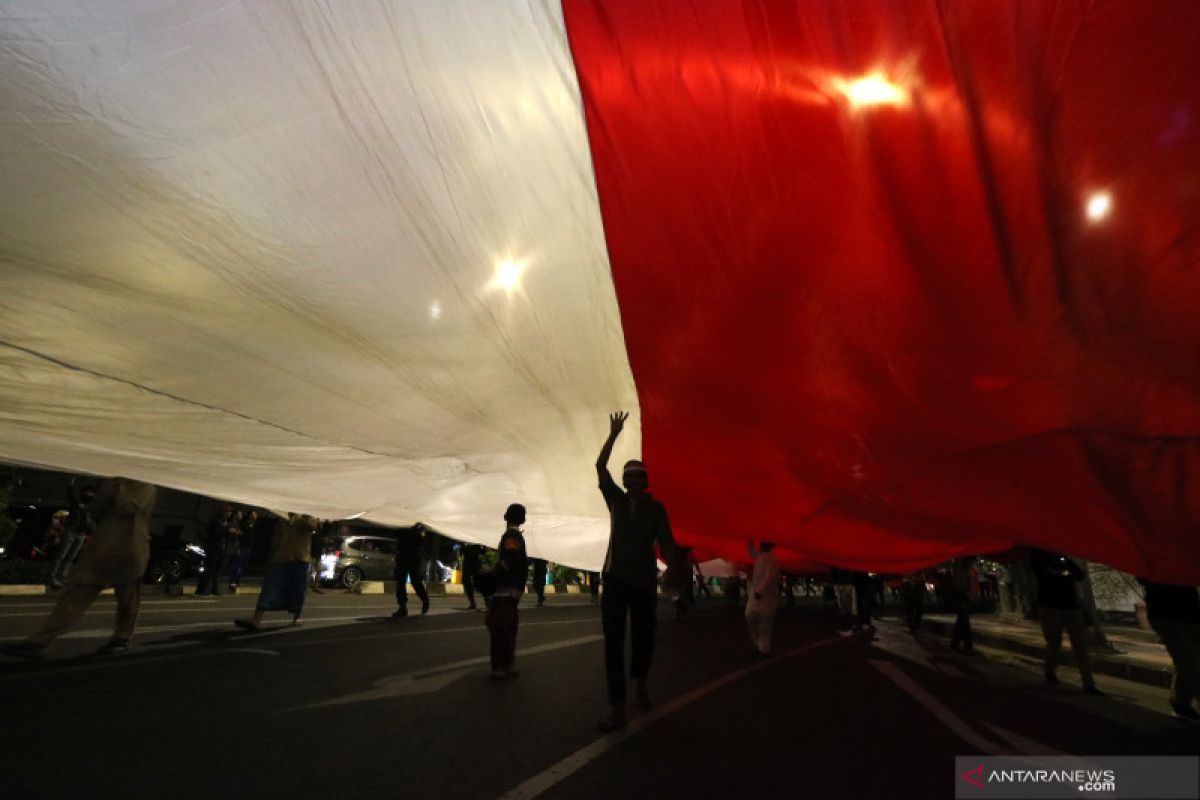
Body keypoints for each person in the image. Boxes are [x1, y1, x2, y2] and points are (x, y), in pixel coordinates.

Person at [2, 477, 157, 660]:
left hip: (129, 550)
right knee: (75, 595)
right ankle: (39, 642)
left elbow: (128, 507)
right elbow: (95, 510)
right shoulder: (111, 482)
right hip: (101, 549)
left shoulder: (145, 485)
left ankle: (121, 639)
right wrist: (102, 491)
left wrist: (118, 487)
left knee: (128, 601)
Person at [595, 411, 676, 731]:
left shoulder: (656, 508)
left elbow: (667, 543)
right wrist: (613, 434)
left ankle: (640, 685)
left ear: (645, 481)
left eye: (637, 477)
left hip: (643, 582)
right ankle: (617, 707)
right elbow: (600, 467)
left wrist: (674, 565)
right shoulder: (615, 500)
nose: (631, 481)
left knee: (643, 638)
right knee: (613, 643)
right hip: (614, 580)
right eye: (628, 477)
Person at [1030, 548, 1102, 695]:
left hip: (1071, 607)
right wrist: (1064, 573)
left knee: (1080, 646)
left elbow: (1079, 575)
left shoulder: (1063, 558)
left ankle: (1088, 683)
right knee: (1054, 644)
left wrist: (1064, 567)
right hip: (1050, 607)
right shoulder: (1039, 555)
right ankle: (1049, 672)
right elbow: (1045, 577)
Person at [234, 513, 317, 630]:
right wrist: (271, 556)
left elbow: (312, 527)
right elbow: (276, 538)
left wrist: (303, 514)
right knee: (269, 587)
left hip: (299, 559)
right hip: (280, 558)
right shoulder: (282, 519)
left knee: (297, 589)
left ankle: (296, 617)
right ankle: (256, 619)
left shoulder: (308, 517)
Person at [1138, 579, 1200, 721]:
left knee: (1186, 661)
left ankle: (1181, 702)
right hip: (1167, 613)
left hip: (1189, 612)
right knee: (1189, 661)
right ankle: (1182, 702)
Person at [486, 504, 528, 678]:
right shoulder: (515, 535)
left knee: (500, 628)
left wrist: (492, 572)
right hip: (512, 589)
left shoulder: (511, 536)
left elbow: (510, 557)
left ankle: (500, 667)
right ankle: (506, 665)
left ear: (505, 516)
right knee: (507, 628)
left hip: (505, 590)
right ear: (523, 520)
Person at [49, 480, 96, 588]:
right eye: (89, 492)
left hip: (81, 534)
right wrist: (70, 483)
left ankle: (62, 577)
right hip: (71, 531)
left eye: (92, 493)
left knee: (71, 557)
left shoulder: (91, 507)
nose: (90, 495)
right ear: (83, 493)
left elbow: (91, 520)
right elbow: (70, 494)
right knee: (61, 555)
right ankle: (52, 578)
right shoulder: (76, 502)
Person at [745, 541, 781, 655]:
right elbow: (752, 553)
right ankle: (758, 643)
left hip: (766, 596)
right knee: (750, 615)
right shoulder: (761, 556)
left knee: (765, 623)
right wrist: (749, 541)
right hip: (757, 595)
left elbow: (769, 576)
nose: (759, 545)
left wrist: (760, 590)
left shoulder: (772, 560)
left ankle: (763, 649)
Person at [196, 506, 238, 596]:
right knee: (209, 569)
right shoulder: (216, 520)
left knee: (218, 570)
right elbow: (215, 532)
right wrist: (228, 530)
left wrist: (232, 532)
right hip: (213, 548)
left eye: (230, 512)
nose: (228, 514)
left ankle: (214, 589)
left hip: (222, 550)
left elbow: (230, 535)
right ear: (222, 511)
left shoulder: (228, 523)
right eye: (227, 511)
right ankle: (203, 589)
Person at [393, 525, 429, 619]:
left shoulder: (418, 527)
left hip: (413, 557)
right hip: (404, 556)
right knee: (400, 582)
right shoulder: (403, 525)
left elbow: (422, 540)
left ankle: (425, 600)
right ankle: (402, 607)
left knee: (415, 581)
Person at [228, 509, 258, 591]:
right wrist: (238, 546)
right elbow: (239, 535)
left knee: (242, 565)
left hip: (248, 547)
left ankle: (237, 580)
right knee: (237, 564)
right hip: (242, 547)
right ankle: (232, 581)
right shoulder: (244, 524)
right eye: (254, 514)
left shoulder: (253, 524)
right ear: (250, 515)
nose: (256, 516)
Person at [950, 557, 975, 653]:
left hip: (962, 593)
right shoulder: (960, 563)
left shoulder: (963, 565)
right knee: (964, 620)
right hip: (961, 593)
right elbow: (960, 580)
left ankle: (955, 644)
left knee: (962, 620)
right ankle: (966, 646)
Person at [460, 543, 485, 611]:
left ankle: (487, 602)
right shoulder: (465, 539)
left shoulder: (477, 541)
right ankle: (472, 602)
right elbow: (462, 549)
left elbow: (483, 551)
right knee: (466, 582)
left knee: (480, 583)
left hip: (475, 563)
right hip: (468, 563)